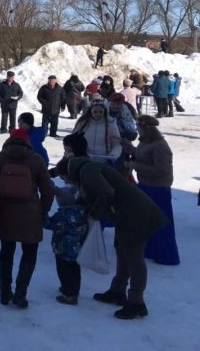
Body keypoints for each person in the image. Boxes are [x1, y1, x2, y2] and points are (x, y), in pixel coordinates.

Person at [58, 133, 168, 319]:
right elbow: (95, 192)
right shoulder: (86, 168)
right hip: (125, 215)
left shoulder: (87, 171)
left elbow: (106, 192)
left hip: (136, 214)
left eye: (65, 179)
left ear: (68, 172)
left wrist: (94, 214)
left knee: (134, 257)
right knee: (122, 251)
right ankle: (117, 291)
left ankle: (137, 303)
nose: (66, 182)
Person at [0, 129, 54, 308]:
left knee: (6, 253)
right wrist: (42, 211)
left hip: (4, 213)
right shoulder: (36, 160)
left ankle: (4, 291)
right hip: (30, 214)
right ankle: (20, 293)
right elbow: (48, 190)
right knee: (29, 255)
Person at [122, 115, 179, 266]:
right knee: (147, 221)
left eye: (139, 128)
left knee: (160, 222)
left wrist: (135, 166)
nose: (138, 131)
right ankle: (150, 249)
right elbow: (142, 155)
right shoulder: (146, 142)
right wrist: (126, 146)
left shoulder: (160, 146)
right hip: (146, 186)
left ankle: (165, 254)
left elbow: (162, 169)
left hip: (158, 189)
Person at [43, 186, 88, 305]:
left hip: (63, 248)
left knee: (64, 270)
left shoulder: (63, 214)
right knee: (75, 269)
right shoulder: (82, 212)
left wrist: (44, 215)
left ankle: (69, 294)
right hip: (77, 247)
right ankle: (75, 290)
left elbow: (49, 224)